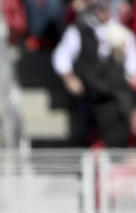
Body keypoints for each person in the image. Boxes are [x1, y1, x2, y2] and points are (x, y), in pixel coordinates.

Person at [52, 0, 136, 147]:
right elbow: (61, 57)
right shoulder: (78, 31)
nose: (102, 12)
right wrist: (69, 78)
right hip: (89, 94)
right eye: (98, 9)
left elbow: (132, 69)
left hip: (115, 99)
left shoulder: (123, 35)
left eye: (105, 8)